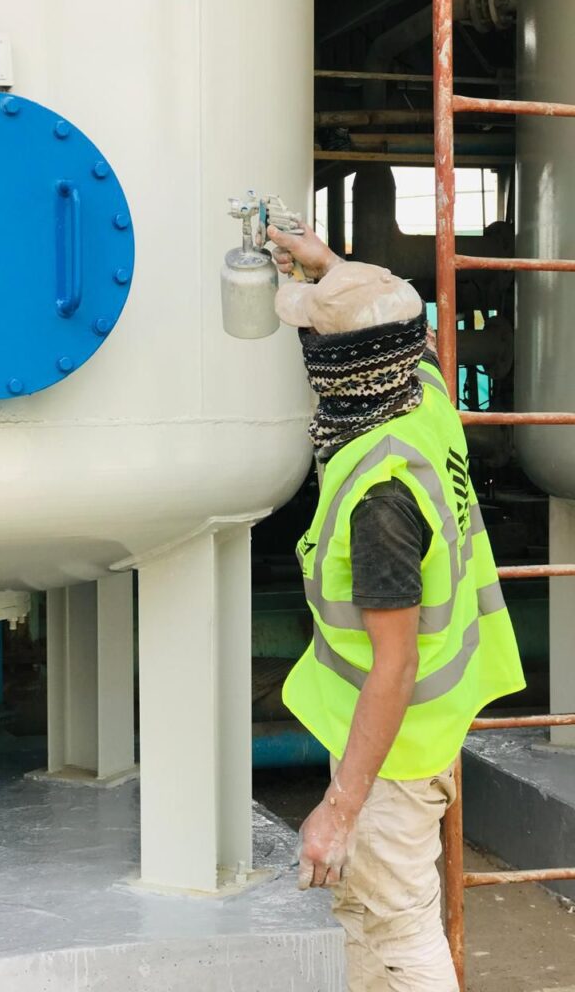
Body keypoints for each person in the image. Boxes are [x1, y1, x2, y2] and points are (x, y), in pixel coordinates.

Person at [266, 222, 525, 992]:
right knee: (372, 918)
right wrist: (333, 269)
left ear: (339, 368)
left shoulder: (380, 500)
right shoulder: (424, 399)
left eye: (315, 339)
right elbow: (407, 341)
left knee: (399, 929)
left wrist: (340, 809)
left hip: (394, 751)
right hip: (422, 727)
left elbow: (395, 662)